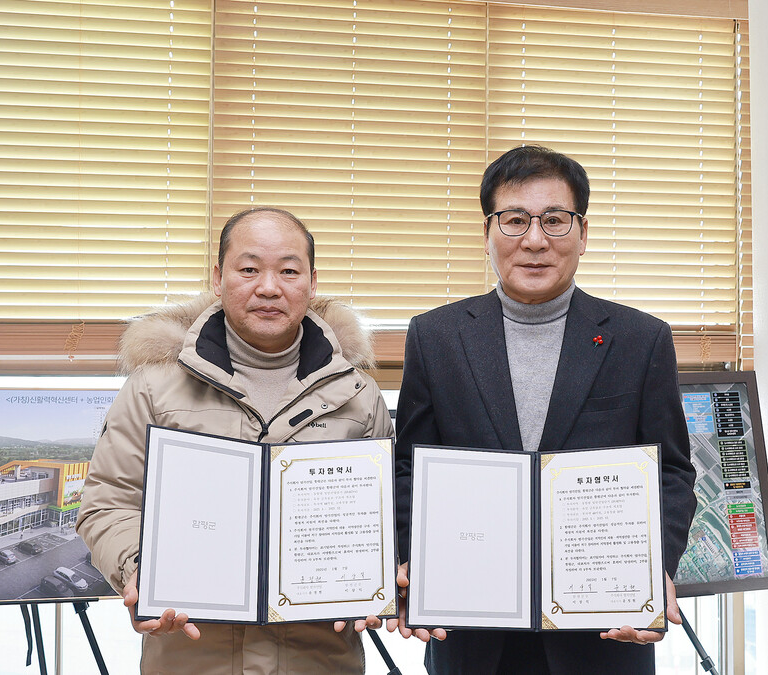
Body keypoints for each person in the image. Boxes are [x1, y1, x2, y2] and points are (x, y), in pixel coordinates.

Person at [391, 145, 698, 674]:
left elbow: (671, 471)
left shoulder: (640, 339)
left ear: (583, 233)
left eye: (554, 220)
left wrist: (654, 571)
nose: (535, 240)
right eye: (515, 220)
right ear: (487, 232)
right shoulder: (435, 336)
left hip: (602, 632)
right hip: (471, 631)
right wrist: (412, 560)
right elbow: (409, 470)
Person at [76, 207, 394, 674]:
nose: (268, 287)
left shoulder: (359, 394)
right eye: (248, 269)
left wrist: (379, 578)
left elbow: (385, 520)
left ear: (312, 282)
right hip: (191, 657)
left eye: (288, 271)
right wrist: (139, 569)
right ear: (218, 278)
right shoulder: (153, 386)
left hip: (319, 659)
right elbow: (109, 501)